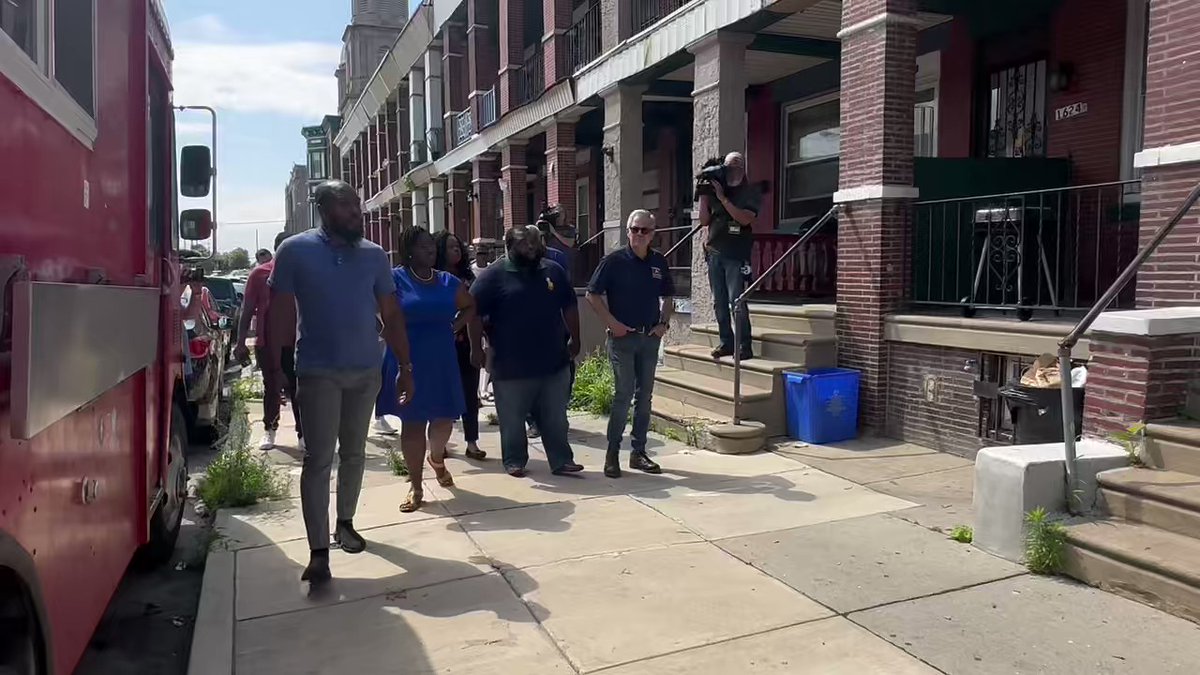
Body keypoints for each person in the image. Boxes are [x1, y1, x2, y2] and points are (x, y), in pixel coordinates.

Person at [266, 179, 414, 584]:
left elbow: (391, 312)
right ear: (325, 209)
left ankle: (345, 522)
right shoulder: (294, 250)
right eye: (348, 207)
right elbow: (278, 311)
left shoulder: (374, 256)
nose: (357, 213)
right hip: (317, 371)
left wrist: (405, 364)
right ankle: (318, 552)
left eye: (358, 206)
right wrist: (276, 367)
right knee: (319, 459)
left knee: (355, 454)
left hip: (365, 370)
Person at [378, 227, 478, 512]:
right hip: (405, 359)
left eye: (431, 246)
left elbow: (470, 307)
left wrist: (456, 326)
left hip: (441, 359)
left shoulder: (448, 281)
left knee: (444, 420)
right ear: (408, 250)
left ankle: (436, 458)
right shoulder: (395, 279)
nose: (430, 251)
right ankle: (416, 485)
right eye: (423, 247)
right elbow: (373, 311)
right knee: (413, 423)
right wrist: (384, 333)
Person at [471, 226, 583, 478]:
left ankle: (562, 460)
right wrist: (476, 347)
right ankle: (514, 460)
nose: (531, 248)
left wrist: (576, 339)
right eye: (524, 244)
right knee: (512, 420)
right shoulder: (493, 276)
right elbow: (473, 313)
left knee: (556, 417)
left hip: (553, 360)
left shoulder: (552, 270)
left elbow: (570, 306)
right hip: (511, 365)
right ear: (509, 246)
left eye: (534, 243)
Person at [587, 210, 674, 478]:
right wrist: (612, 322)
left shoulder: (659, 263)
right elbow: (592, 295)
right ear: (628, 231)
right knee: (623, 396)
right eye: (634, 229)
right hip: (623, 339)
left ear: (652, 234)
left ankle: (639, 452)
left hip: (649, 339)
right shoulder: (613, 261)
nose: (638, 235)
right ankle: (612, 453)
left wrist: (664, 324)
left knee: (644, 397)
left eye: (644, 231)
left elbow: (669, 296)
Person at [235, 232, 300, 451]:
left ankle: (303, 434)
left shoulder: (302, 273)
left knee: (299, 388)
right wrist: (240, 341)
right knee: (271, 387)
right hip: (267, 341)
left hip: (296, 341)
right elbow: (247, 309)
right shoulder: (259, 274)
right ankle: (270, 430)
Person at [699, 151, 761, 360]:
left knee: (737, 300)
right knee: (719, 301)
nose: (733, 170)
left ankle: (745, 346)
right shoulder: (717, 188)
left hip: (736, 254)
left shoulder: (749, 192)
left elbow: (745, 219)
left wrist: (723, 199)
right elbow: (704, 220)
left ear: (743, 169)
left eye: (737, 166)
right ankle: (726, 342)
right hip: (715, 252)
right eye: (729, 166)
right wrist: (704, 194)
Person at [434, 230, 487, 461]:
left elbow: (476, 313)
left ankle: (472, 442)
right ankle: (440, 443)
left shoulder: (469, 278)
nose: (455, 250)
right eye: (449, 247)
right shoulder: (432, 278)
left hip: (466, 344)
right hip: (440, 346)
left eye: (458, 246)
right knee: (441, 394)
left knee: (469, 393)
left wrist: (478, 346)